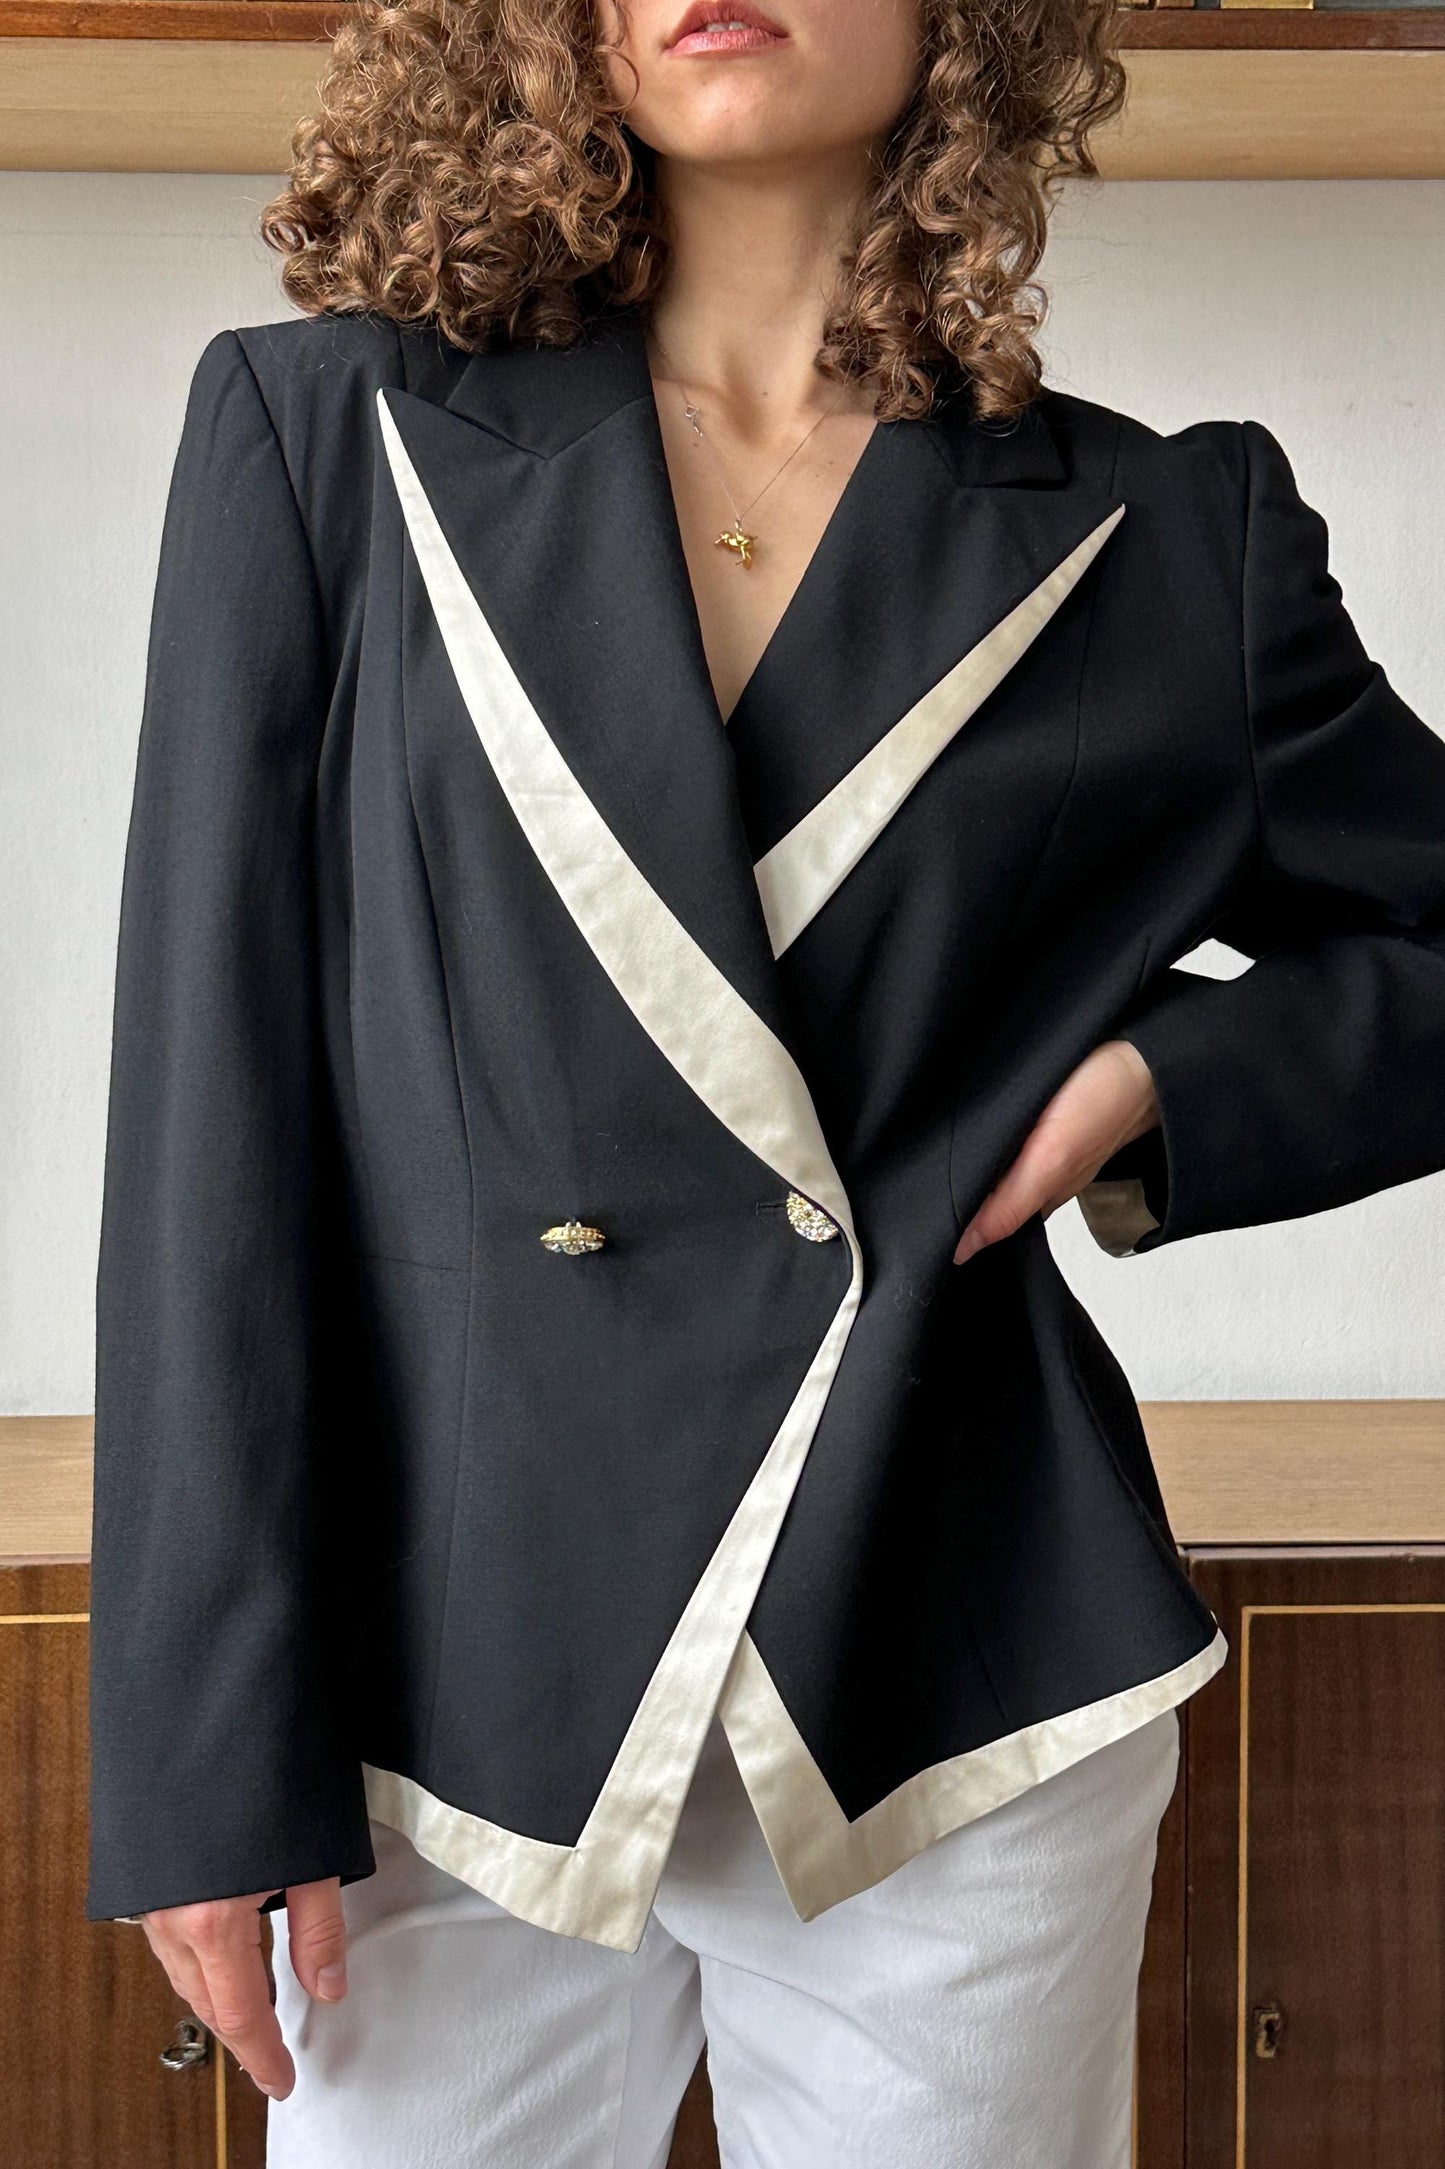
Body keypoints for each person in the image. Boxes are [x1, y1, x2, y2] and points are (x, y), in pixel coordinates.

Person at [83, 0, 1445, 2161]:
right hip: (444, 1678)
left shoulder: (1170, 534)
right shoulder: (326, 434)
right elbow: (206, 1126)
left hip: (950, 1657)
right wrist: (194, 1753)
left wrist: (1169, 1078)